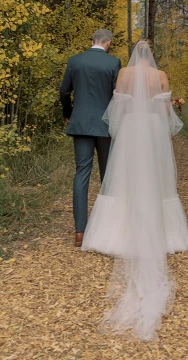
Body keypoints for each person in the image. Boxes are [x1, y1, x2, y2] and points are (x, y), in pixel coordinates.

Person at [81, 39, 188, 341]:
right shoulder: (161, 76)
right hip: (153, 128)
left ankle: (114, 235)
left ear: (133, 52)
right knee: (157, 178)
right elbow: (165, 110)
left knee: (125, 177)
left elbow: (117, 106)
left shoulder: (123, 74)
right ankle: (167, 235)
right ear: (152, 53)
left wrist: (119, 130)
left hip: (131, 127)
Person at [59, 29, 122, 248]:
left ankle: (80, 232)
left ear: (93, 41)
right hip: (106, 126)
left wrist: (68, 113)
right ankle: (109, 228)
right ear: (109, 43)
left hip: (82, 124)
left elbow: (64, 91)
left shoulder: (75, 61)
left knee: (81, 173)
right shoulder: (114, 63)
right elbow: (117, 96)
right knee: (108, 175)